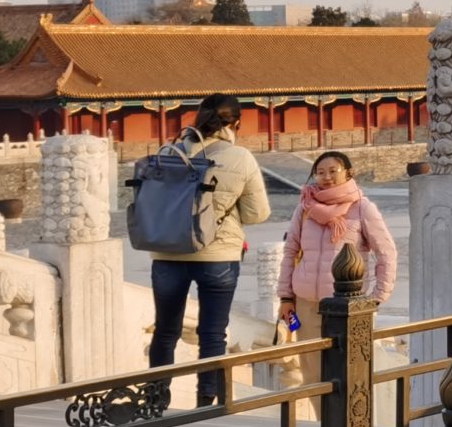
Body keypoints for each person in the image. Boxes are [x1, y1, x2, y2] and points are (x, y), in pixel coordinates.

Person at [143, 93, 270, 404]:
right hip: (218, 255)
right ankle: (207, 400)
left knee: (165, 330)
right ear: (237, 122)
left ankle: (156, 400)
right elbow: (257, 213)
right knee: (212, 334)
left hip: (168, 252)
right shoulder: (239, 157)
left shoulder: (167, 151)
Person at [277, 150, 399, 367]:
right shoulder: (305, 207)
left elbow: (386, 252)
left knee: (346, 367)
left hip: (347, 304)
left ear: (349, 173)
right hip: (307, 302)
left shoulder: (362, 208)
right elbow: (290, 252)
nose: (327, 177)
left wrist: (378, 296)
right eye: (320, 172)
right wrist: (286, 298)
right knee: (311, 368)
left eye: (333, 171)